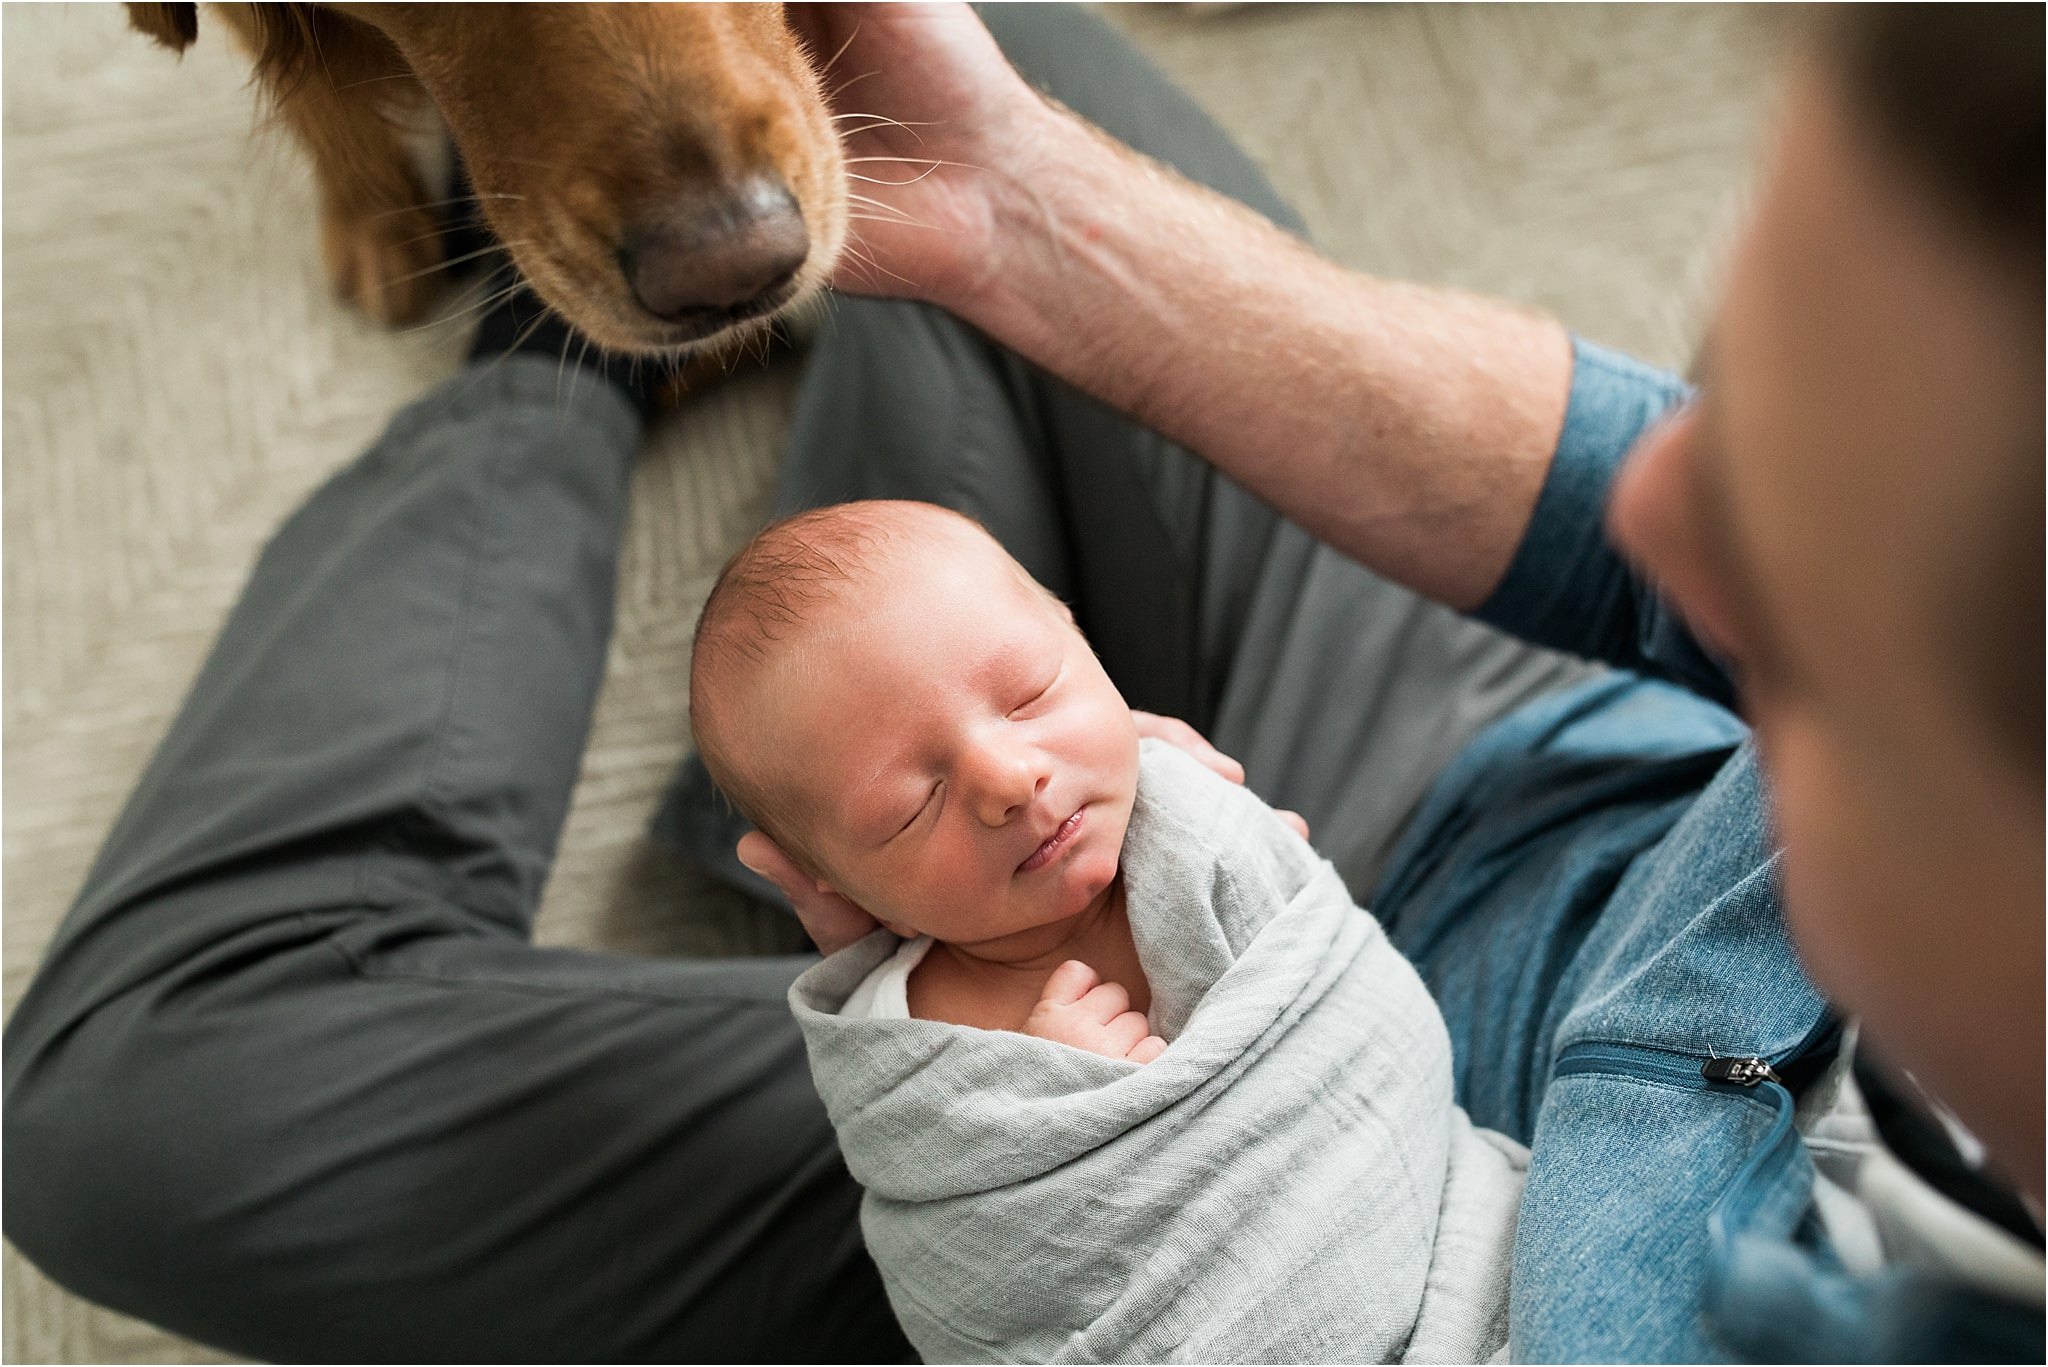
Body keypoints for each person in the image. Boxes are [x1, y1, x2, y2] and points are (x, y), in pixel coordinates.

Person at [3, 4, 2037, 1362]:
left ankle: (547, 390)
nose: (1658, 502)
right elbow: (1628, 522)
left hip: (1199, 1193)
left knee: (143, 1097)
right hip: (1518, 774)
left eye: (1800, 549)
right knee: (964, 84)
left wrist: (1006, 1127)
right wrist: (1025, 224)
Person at [694, 498, 1530, 1362]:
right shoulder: (908, 1050)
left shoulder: (1195, 825)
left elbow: (1364, 1027)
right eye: (912, 805)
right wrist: (1047, 1099)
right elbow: (981, 1262)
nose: (1009, 779)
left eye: (1030, 694)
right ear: (831, 881)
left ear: (1077, 629)